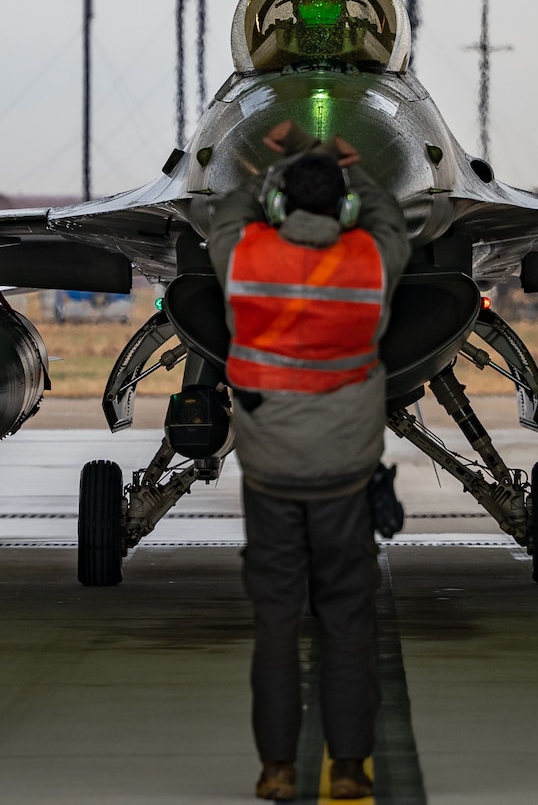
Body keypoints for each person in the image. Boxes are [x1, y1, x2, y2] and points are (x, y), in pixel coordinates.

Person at [207, 119, 410, 801]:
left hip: (268, 477)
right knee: (348, 619)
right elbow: (390, 222)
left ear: (279, 204)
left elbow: (226, 213)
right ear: (342, 206)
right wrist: (354, 172)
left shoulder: (244, 257)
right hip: (344, 479)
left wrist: (278, 168)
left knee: (275, 623)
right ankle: (350, 768)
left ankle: (277, 769)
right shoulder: (369, 264)